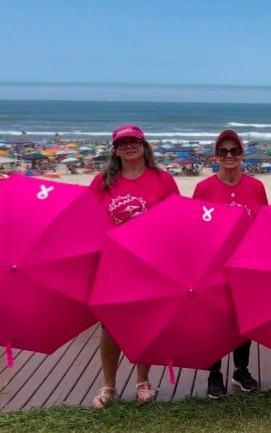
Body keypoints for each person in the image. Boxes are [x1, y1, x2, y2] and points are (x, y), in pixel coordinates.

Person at [88, 125, 180, 408]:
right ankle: (109, 386)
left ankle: (143, 382)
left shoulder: (162, 179)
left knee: (147, 323)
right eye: (123, 143)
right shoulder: (102, 181)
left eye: (134, 141)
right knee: (110, 327)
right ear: (115, 149)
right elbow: (86, 220)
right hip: (114, 263)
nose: (129, 146)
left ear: (144, 145)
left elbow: (177, 220)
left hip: (152, 263)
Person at [193, 129, 268, 398]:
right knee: (214, 321)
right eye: (223, 151)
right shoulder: (204, 188)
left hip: (245, 266)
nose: (229, 155)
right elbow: (195, 228)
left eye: (234, 150)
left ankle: (241, 369)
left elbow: (263, 225)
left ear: (242, 155)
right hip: (213, 266)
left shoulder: (256, 187)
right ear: (215, 156)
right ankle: (215, 373)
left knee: (242, 321)